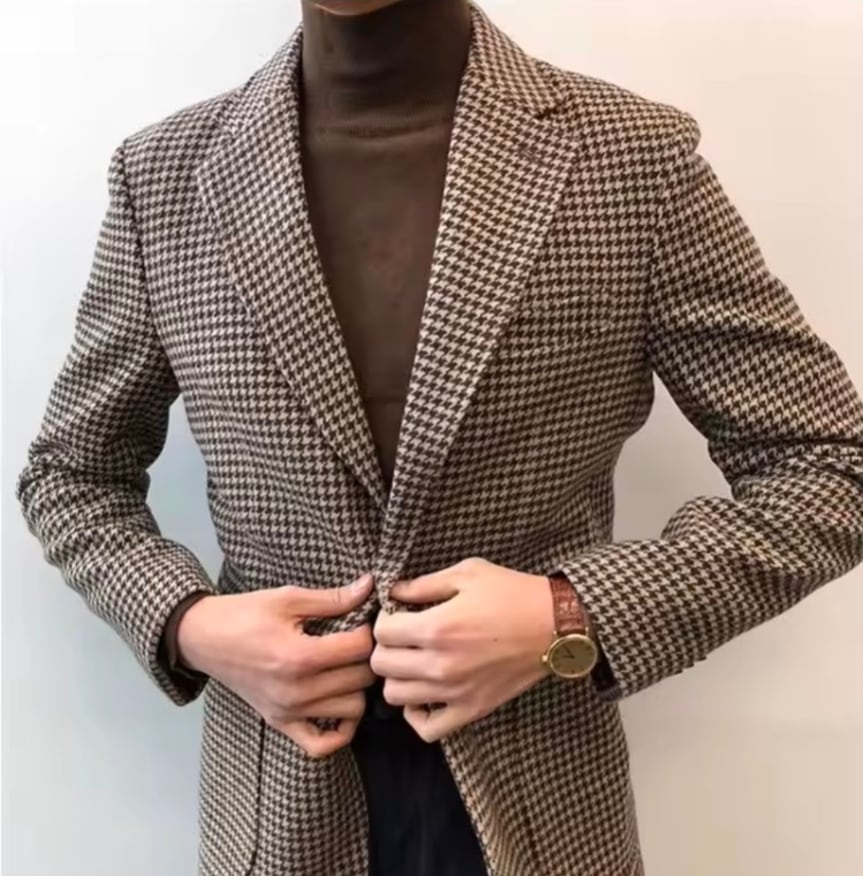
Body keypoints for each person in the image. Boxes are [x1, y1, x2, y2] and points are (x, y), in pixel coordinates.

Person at [15, 0, 863, 874]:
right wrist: (189, 622)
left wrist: (569, 612)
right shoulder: (164, 175)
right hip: (275, 808)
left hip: (541, 803)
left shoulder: (630, 160)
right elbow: (71, 473)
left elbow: (830, 467)